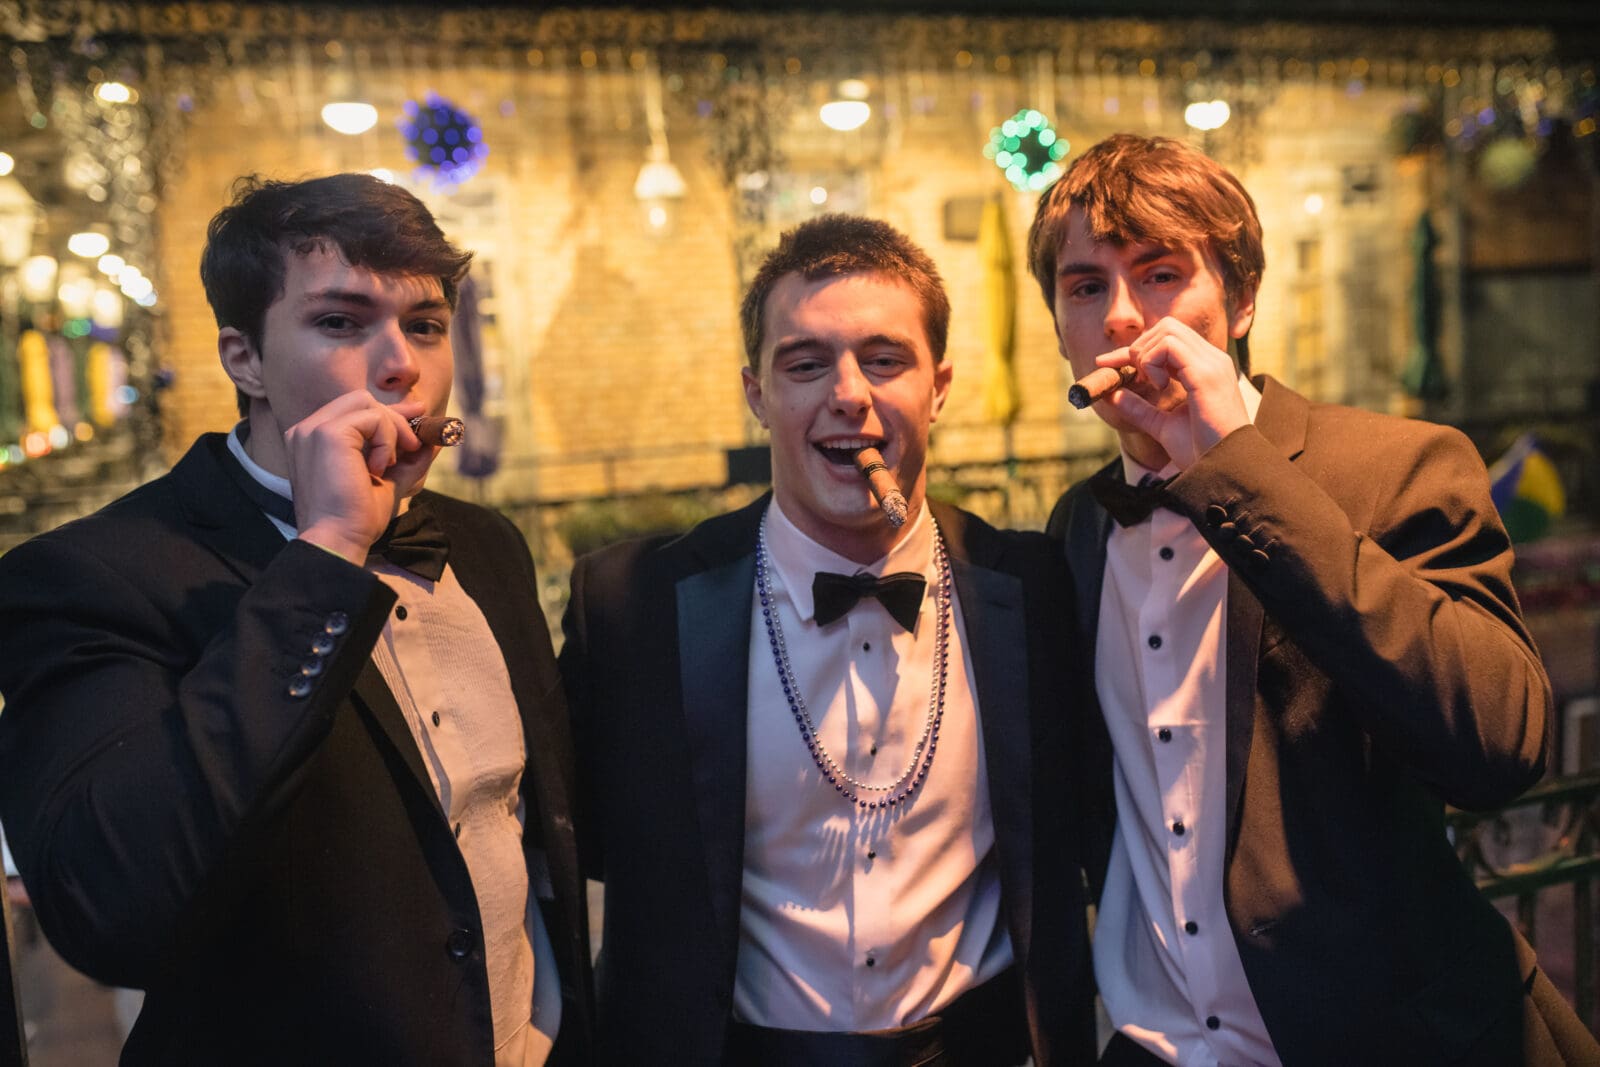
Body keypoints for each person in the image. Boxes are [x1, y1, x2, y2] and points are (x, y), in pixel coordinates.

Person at [1028, 133, 1597, 1065]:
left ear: (1242, 298)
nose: (1123, 317)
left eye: (1162, 273)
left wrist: (1239, 474)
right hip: (1158, 1045)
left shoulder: (1400, 465)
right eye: (1086, 286)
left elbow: (1499, 746)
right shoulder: (1079, 527)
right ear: (1059, 324)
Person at [0, 174, 591, 1065]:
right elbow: (108, 909)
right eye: (342, 322)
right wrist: (326, 556)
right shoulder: (92, 575)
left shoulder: (485, 542)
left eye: (425, 325)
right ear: (244, 359)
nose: (401, 363)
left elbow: (529, 831)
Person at [561, 214, 1095, 1065]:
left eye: (884, 360)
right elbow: (579, 843)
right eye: (805, 364)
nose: (849, 394)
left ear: (940, 385)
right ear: (756, 394)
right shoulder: (632, 606)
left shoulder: (1035, 589)